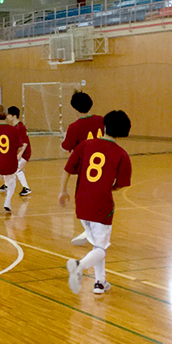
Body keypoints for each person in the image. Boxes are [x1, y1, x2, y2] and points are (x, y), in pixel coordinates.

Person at [60, 110, 132, 295]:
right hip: (101, 205)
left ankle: (100, 282)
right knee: (101, 248)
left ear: (104, 125)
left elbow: (67, 168)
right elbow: (121, 184)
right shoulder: (121, 154)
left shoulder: (86, 145)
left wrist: (63, 191)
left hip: (82, 202)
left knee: (97, 244)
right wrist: (109, 187)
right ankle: (79, 266)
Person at [62, 91, 105, 246]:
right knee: (98, 199)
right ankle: (93, 231)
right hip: (104, 164)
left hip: (87, 168)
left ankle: (91, 232)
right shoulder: (101, 120)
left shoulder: (74, 127)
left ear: (74, 107)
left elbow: (66, 146)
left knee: (82, 202)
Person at [0, 106, 32, 196]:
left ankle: (26, 188)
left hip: (24, 153)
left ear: (14, 116)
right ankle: (7, 185)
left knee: (16, 169)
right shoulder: (14, 127)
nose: (7, 117)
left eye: (9, 115)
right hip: (16, 153)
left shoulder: (20, 127)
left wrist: (20, 154)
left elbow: (25, 143)